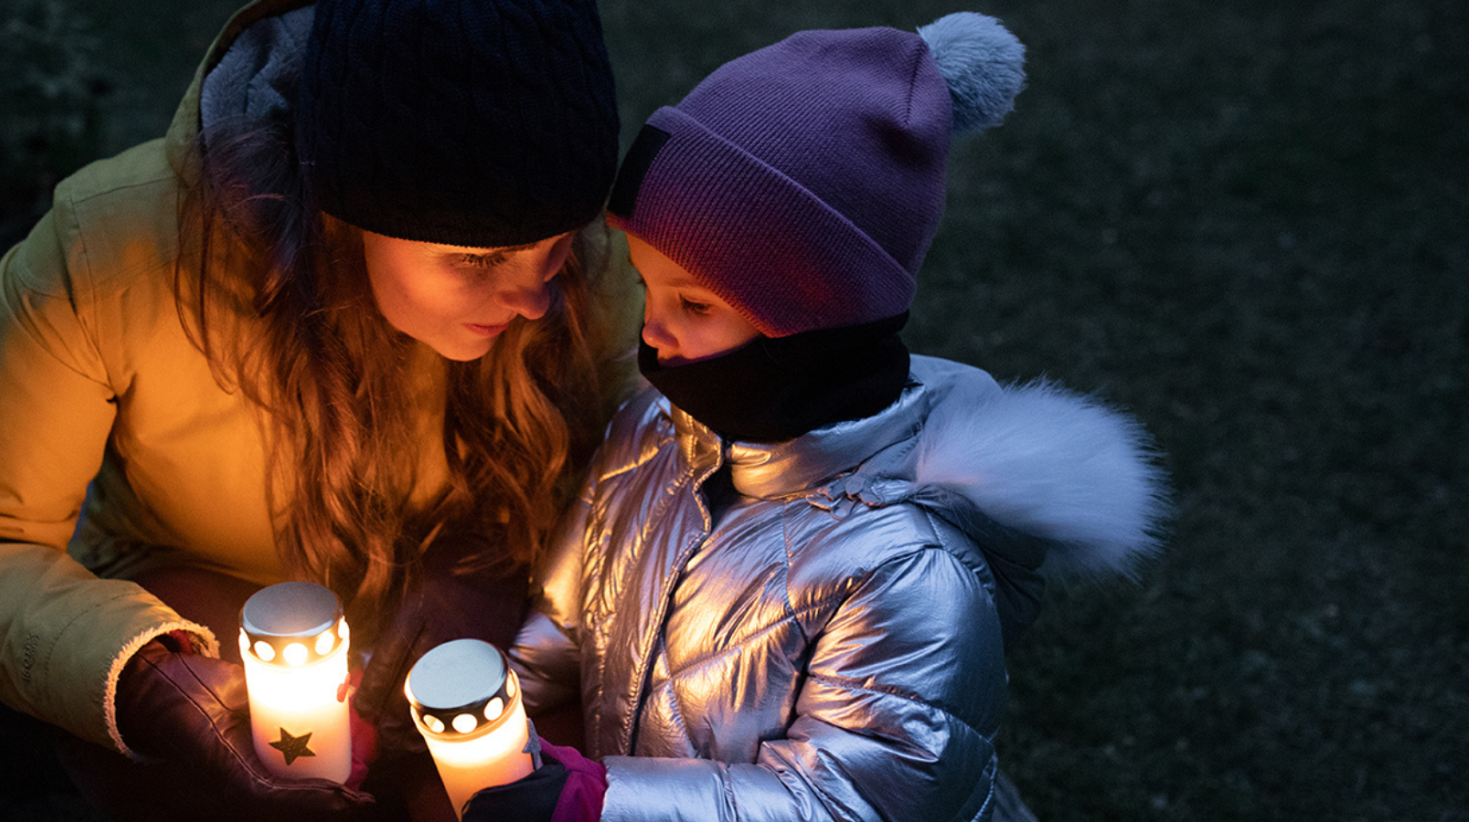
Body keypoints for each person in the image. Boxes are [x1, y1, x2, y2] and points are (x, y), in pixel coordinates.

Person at [0, 0, 637, 818]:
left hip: (490, 679)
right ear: (343, 210)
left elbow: (668, 486)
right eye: (477, 257)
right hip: (221, 689)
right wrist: (150, 679)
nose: (534, 298)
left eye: (559, 240)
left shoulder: (586, 273)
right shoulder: (115, 254)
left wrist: (501, 565)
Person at [467, 13, 1171, 822]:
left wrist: (601, 802)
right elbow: (566, 622)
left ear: (814, 315)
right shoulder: (651, 434)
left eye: (693, 304)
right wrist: (459, 711)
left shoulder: (908, 566)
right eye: (646, 286)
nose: (650, 331)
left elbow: (854, 800)